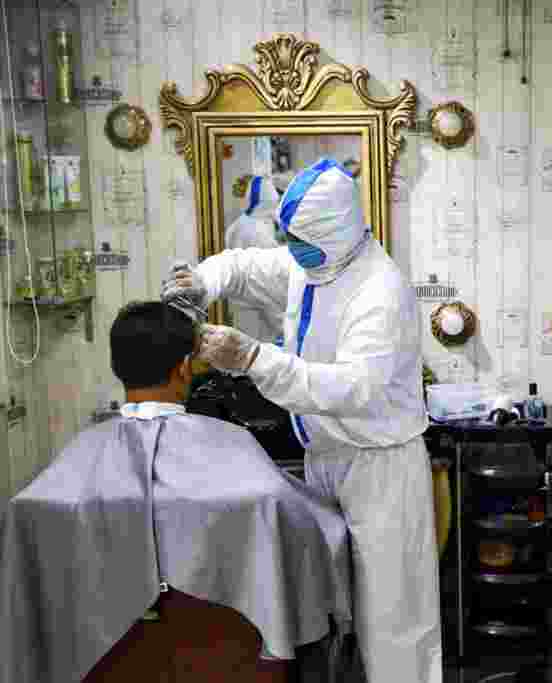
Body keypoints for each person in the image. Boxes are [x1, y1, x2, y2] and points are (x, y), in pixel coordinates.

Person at [161, 157, 441, 683]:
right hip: (324, 460)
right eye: (288, 237)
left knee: (393, 618)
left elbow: (350, 389)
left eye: (300, 239)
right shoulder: (311, 265)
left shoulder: (380, 291)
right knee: (332, 608)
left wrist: (252, 359)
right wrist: (201, 280)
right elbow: (243, 267)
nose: (291, 248)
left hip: (378, 466)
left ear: (333, 233)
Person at [0, 302, 351, 683]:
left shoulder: (78, 457)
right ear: (185, 368)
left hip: (99, 655)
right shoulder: (232, 444)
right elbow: (304, 526)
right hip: (228, 648)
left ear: (117, 367)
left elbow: (27, 531)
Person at [224, 174, 284, 343]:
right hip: (259, 312)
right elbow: (268, 282)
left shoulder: (237, 225)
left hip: (239, 307)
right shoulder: (259, 233)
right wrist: (282, 323)